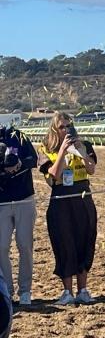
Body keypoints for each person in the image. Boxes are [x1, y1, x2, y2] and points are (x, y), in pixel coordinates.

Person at [38, 112, 98, 306]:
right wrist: (63, 151)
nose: (66, 130)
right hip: (61, 198)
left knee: (85, 241)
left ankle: (83, 290)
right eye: (62, 127)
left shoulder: (84, 145)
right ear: (55, 129)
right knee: (64, 243)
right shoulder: (46, 148)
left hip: (82, 196)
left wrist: (81, 151)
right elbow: (54, 176)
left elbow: (91, 170)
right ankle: (67, 291)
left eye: (68, 126)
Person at [0, 126, 37, 306]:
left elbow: (34, 159)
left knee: (25, 245)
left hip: (24, 199)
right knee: (1, 247)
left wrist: (19, 164)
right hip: (1, 202)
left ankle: (25, 290)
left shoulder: (18, 136)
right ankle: (7, 289)